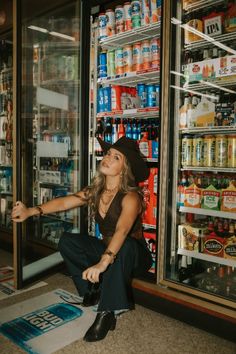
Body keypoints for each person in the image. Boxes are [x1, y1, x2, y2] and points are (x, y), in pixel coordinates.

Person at [12, 136, 153, 342]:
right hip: (109, 250)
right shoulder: (96, 190)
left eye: (116, 157)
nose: (107, 158)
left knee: (124, 247)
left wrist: (104, 261)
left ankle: (107, 313)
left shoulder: (131, 197)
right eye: (107, 154)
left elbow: (122, 230)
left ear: (125, 168)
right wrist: (31, 211)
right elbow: (64, 203)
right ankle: (92, 291)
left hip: (133, 255)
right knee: (68, 241)